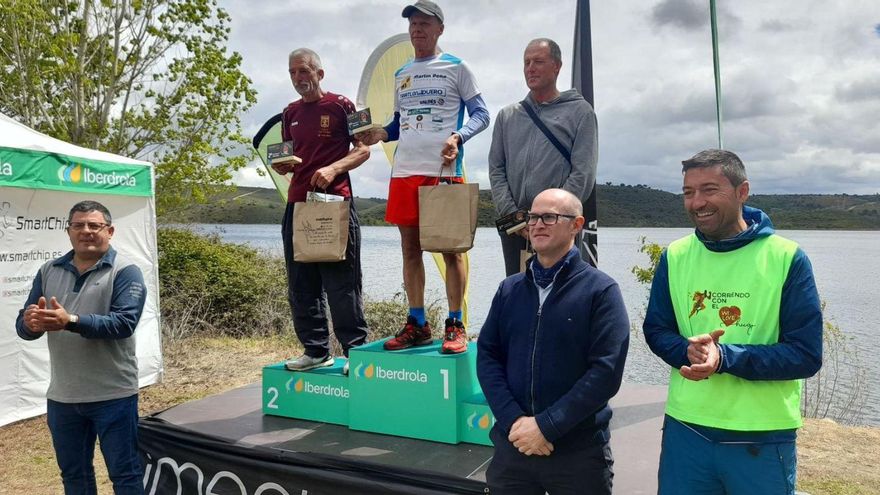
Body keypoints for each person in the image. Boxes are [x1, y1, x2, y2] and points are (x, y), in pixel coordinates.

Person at [642, 149, 823, 494]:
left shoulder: (786, 258)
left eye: (710, 189)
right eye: (688, 192)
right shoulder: (675, 256)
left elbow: (805, 354)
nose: (697, 202)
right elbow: (656, 329)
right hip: (687, 428)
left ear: (742, 192)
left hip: (762, 435)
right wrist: (687, 351)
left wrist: (724, 358)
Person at [477, 188, 629, 494]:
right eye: (532, 217)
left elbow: (605, 372)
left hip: (578, 452)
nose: (536, 225)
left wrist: (547, 426)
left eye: (549, 217)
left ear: (576, 225)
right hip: (514, 446)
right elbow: (488, 356)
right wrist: (514, 422)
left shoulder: (600, 291)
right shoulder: (509, 290)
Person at [359, 0, 489, 354]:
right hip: (404, 172)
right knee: (409, 249)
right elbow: (398, 125)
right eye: (413, 24)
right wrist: (379, 135)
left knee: (451, 250)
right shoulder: (401, 73)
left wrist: (457, 137)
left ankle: (455, 323)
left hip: (443, 170)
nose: (417, 29)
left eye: (424, 24)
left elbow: (481, 114)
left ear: (440, 29)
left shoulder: (457, 67)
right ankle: (417, 323)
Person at [15, 200, 147, 494]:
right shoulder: (49, 270)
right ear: (69, 231)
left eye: (94, 225)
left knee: (125, 474)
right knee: (74, 477)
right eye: (78, 225)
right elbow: (24, 326)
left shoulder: (126, 271)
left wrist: (70, 320)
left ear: (109, 231)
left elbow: (123, 324)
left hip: (113, 395)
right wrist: (31, 324)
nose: (86, 231)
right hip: (63, 396)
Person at [277, 48, 370, 374]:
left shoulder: (345, 106)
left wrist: (332, 169)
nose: (298, 78)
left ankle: (356, 353)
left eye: (304, 71)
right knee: (301, 285)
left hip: (335, 204)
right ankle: (315, 350)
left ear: (319, 73)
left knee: (342, 285)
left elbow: (364, 149)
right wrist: (283, 165)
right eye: (293, 73)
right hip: (298, 205)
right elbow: (287, 156)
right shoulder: (289, 113)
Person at [488, 38, 598, 276]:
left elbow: (583, 174)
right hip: (515, 226)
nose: (530, 68)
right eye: (526, 62)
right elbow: (496, 168)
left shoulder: (581, 113)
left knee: (559, 296)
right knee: (517, 293)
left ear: (557, 66)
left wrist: (548, 218)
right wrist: (515, 218)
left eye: (538, 61)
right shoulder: (507, 116)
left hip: (556, 226)